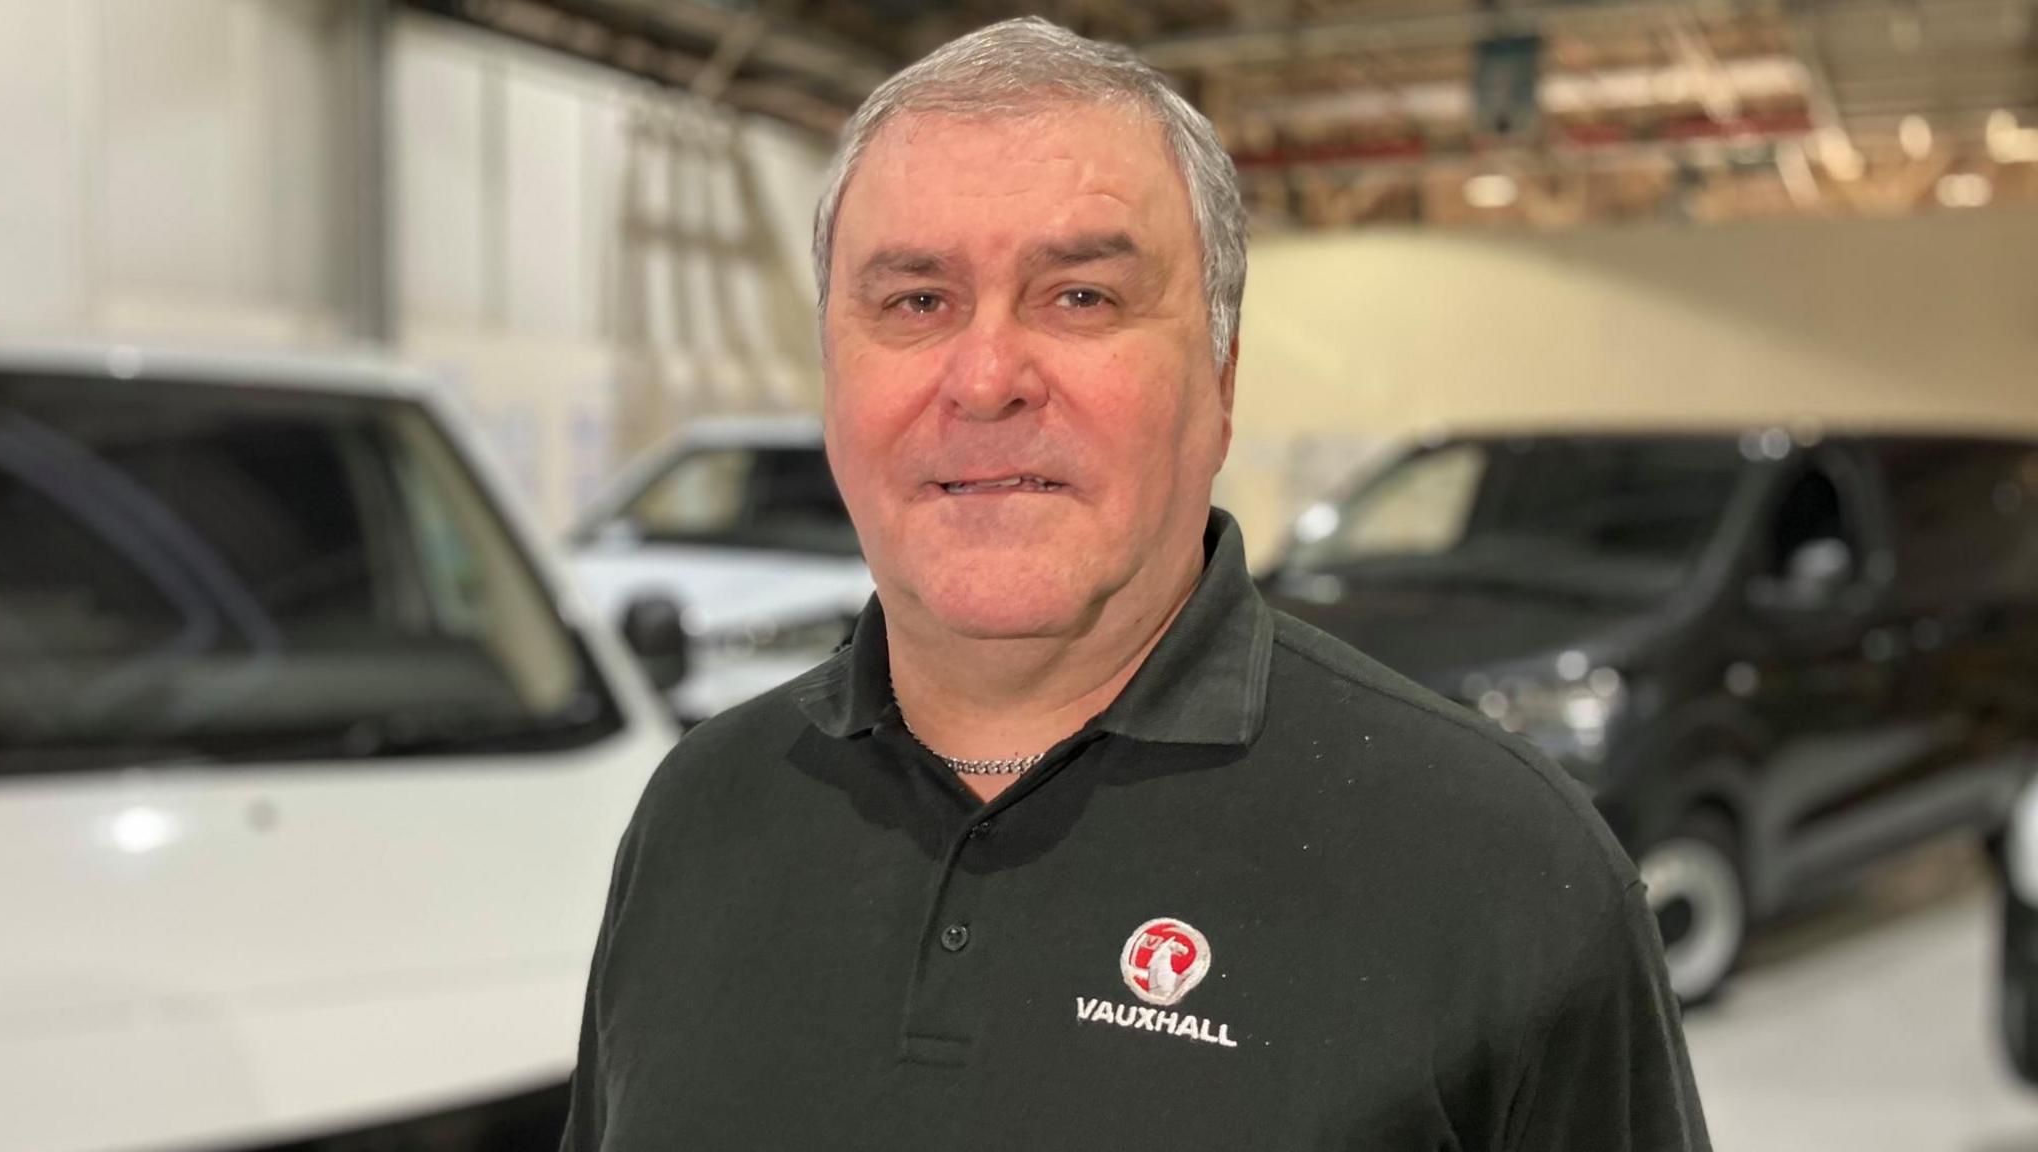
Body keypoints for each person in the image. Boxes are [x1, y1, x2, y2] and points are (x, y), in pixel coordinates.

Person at [560, 16, 1709, 1151]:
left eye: (1080, 297)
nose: (987, 376)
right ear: (830, 375)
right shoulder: (699, 815)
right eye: (916, 301)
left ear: (1217, 380)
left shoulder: (1505, 870)